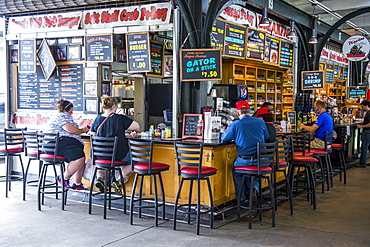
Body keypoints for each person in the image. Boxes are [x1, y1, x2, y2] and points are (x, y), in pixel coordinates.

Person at [90, 95, 140, 193]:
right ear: (114, 106)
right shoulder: (120, 119)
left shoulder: (97, 119)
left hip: (100, 155)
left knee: (102, 161)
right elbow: (137, 127)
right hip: (118, 154)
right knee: (135, 161)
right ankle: (118, 181)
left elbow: (92, 134)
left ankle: (100, 179)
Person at [221, 100, 270, 201]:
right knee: (259, 170)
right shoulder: (260, 122)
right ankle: (254, 189)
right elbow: (267, 136)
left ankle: (242, 198)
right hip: (262, 160)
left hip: (245, 160)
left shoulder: (236, 124)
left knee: (237, 171)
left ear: (238, 113)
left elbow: (224, 138)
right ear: (250, 111)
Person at [45, 98, 90, 190]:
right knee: (79, 159)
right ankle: (63, 177)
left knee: (81, 157)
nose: (72, 113)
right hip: (58, 144)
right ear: (66, 110)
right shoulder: (63, 116)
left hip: (58, 144)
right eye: (71, 111)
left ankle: (77, 184)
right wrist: (83, 130)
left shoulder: (59, 116)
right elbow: (72, 130)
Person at [355, 100, 370, 168]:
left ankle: (362, 163)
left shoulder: (369, 113)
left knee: (364, 148)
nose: (362, 107)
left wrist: (361, 126)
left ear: (366, 106)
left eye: (362, 106)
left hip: (367, 133)